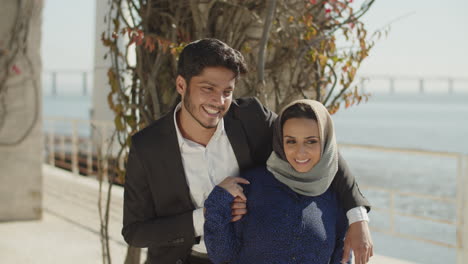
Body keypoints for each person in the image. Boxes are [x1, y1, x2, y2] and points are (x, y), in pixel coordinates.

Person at [122, 38, 372, 264]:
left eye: (227, 92)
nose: (218, 102)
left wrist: (357, 217)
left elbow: (320, 152)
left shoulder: (251, 118)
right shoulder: (147, 147)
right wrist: (207, 215)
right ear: (181, 85)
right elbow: (135, 231)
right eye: (207, 89)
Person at [204, 99, 352, 264]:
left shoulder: (335, 197)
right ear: (280, 141)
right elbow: (220, 254)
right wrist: (218, 200)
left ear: (325, 142)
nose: (300, 152)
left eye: (311, 141)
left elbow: (343, 259)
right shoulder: (250, 185)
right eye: (291, 141)